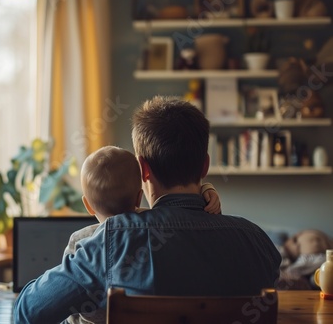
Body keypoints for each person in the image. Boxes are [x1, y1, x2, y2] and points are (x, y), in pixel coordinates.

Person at [14, 97, 281, 324]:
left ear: (143, 169)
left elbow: (27, 313)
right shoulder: (258, 242)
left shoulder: (110, 241)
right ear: (204, 166)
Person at [63, 145, 221, 324]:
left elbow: (67, 304)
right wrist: (206, 189)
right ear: (139, 197)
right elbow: (181, 212)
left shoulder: (81, 241)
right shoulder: (153, 228)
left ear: (87, 205)